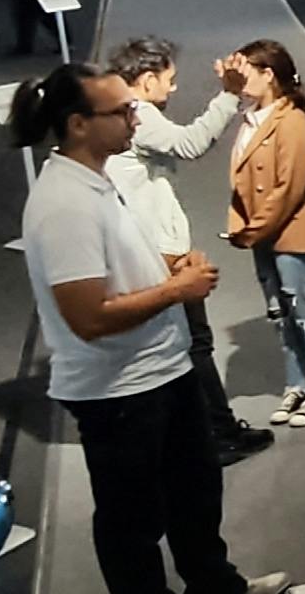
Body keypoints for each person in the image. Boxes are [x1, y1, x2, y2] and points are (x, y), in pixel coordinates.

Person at [10, 63, 286, 594]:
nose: (136, 118)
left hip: (161, 367)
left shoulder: (98, 181)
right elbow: (88, 315)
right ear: (78, 124)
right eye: (122, 111)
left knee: (194, 486)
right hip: (117, 386)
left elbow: (116, 268)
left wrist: (168, 266)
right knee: (132, 513)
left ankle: (213, 586)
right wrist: (176, 290)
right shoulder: (63, 205)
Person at [106, 36, 274, 467]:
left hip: (141, 247)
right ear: (146, 80)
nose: (174, 88)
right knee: (194, 344)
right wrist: (229, 95)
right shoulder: (138, 113)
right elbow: (190, 143)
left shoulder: (112, 109)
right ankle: (217, 435)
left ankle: (195, 434)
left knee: (177, 346)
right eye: (169, 79)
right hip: (159, 254)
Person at [228, 40, 305, 427]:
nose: (239, 79)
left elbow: (288, 188)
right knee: (281, 315)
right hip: (261, 234)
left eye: (246, 71)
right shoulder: (250, 118)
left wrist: (253, 229)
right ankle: (298, 384)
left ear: (268, 75)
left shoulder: (293, 121)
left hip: (291, 232)